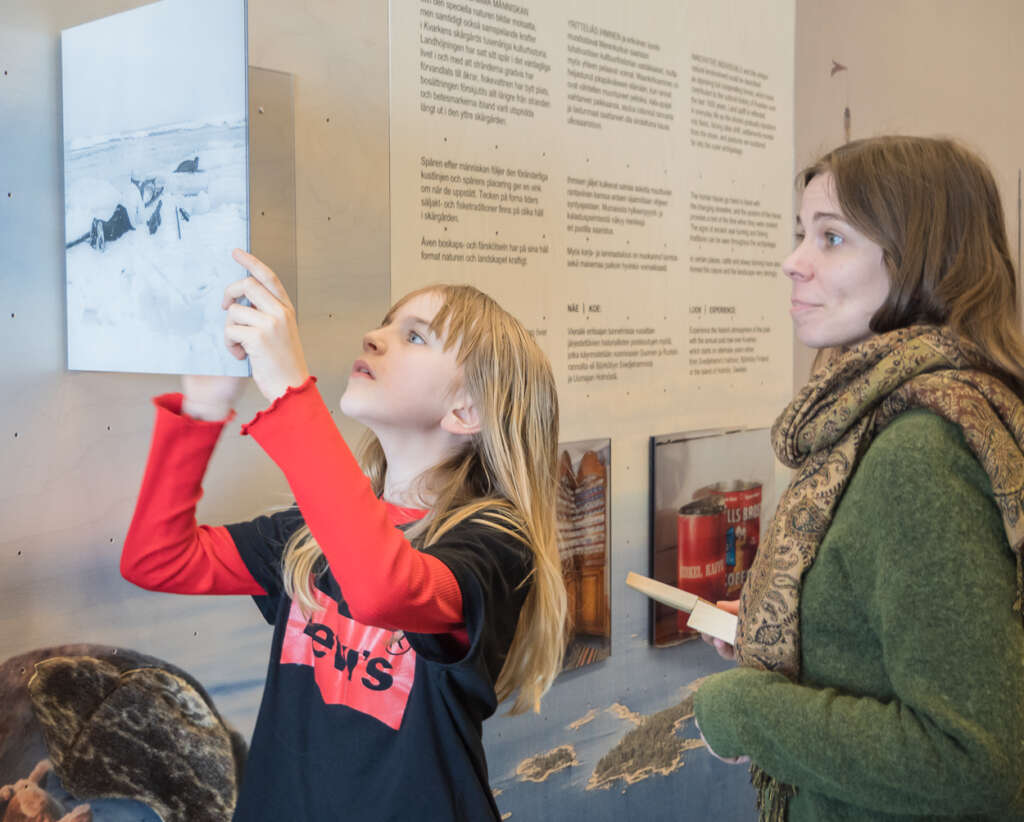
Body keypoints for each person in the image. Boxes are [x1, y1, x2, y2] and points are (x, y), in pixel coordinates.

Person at [121, 249, 567, 820]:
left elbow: (386, 588)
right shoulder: (310, 534)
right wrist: (203, 409)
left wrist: (289, 393)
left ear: (466, 409)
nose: (374, 336)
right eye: (385, 323)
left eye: (415, 337)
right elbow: (158, 561)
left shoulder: (495, 541)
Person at [693, 136, 1024, 821]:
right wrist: (798, 628)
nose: (793, 263)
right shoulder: (897, 416)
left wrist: (746, 711)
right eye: (801, 235)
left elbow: (974, 761)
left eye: (832, 238)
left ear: (919, 260)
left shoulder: (921, 451)